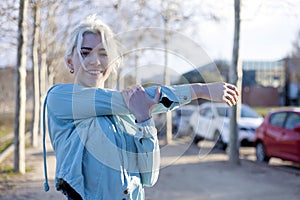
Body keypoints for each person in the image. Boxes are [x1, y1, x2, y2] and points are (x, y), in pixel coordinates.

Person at [43, 15, 239, 200]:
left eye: (103, 54)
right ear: (70, 61)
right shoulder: (59, 98)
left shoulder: (125, 113)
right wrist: (199, 89)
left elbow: (149, 177)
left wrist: (144, 121)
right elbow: (141, 98)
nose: (95, 61)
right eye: (85, 53)